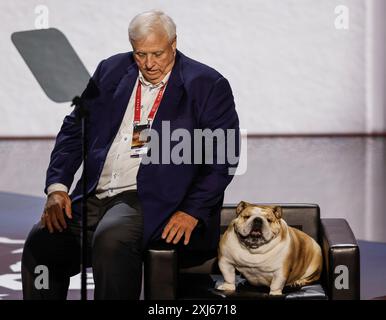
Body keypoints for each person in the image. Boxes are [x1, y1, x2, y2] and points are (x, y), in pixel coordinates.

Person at [21, 10, 239, 300]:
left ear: (173, 44)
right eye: (140, 54)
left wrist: (191, 210)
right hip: (96, 192)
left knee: (112, 239)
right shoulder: (110, 70)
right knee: (42, 242)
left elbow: (223, 157)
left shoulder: (207, 85)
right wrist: (57, 187)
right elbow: (75, 130)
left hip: (151, 197)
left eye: (157, 54)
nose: (149, 64)